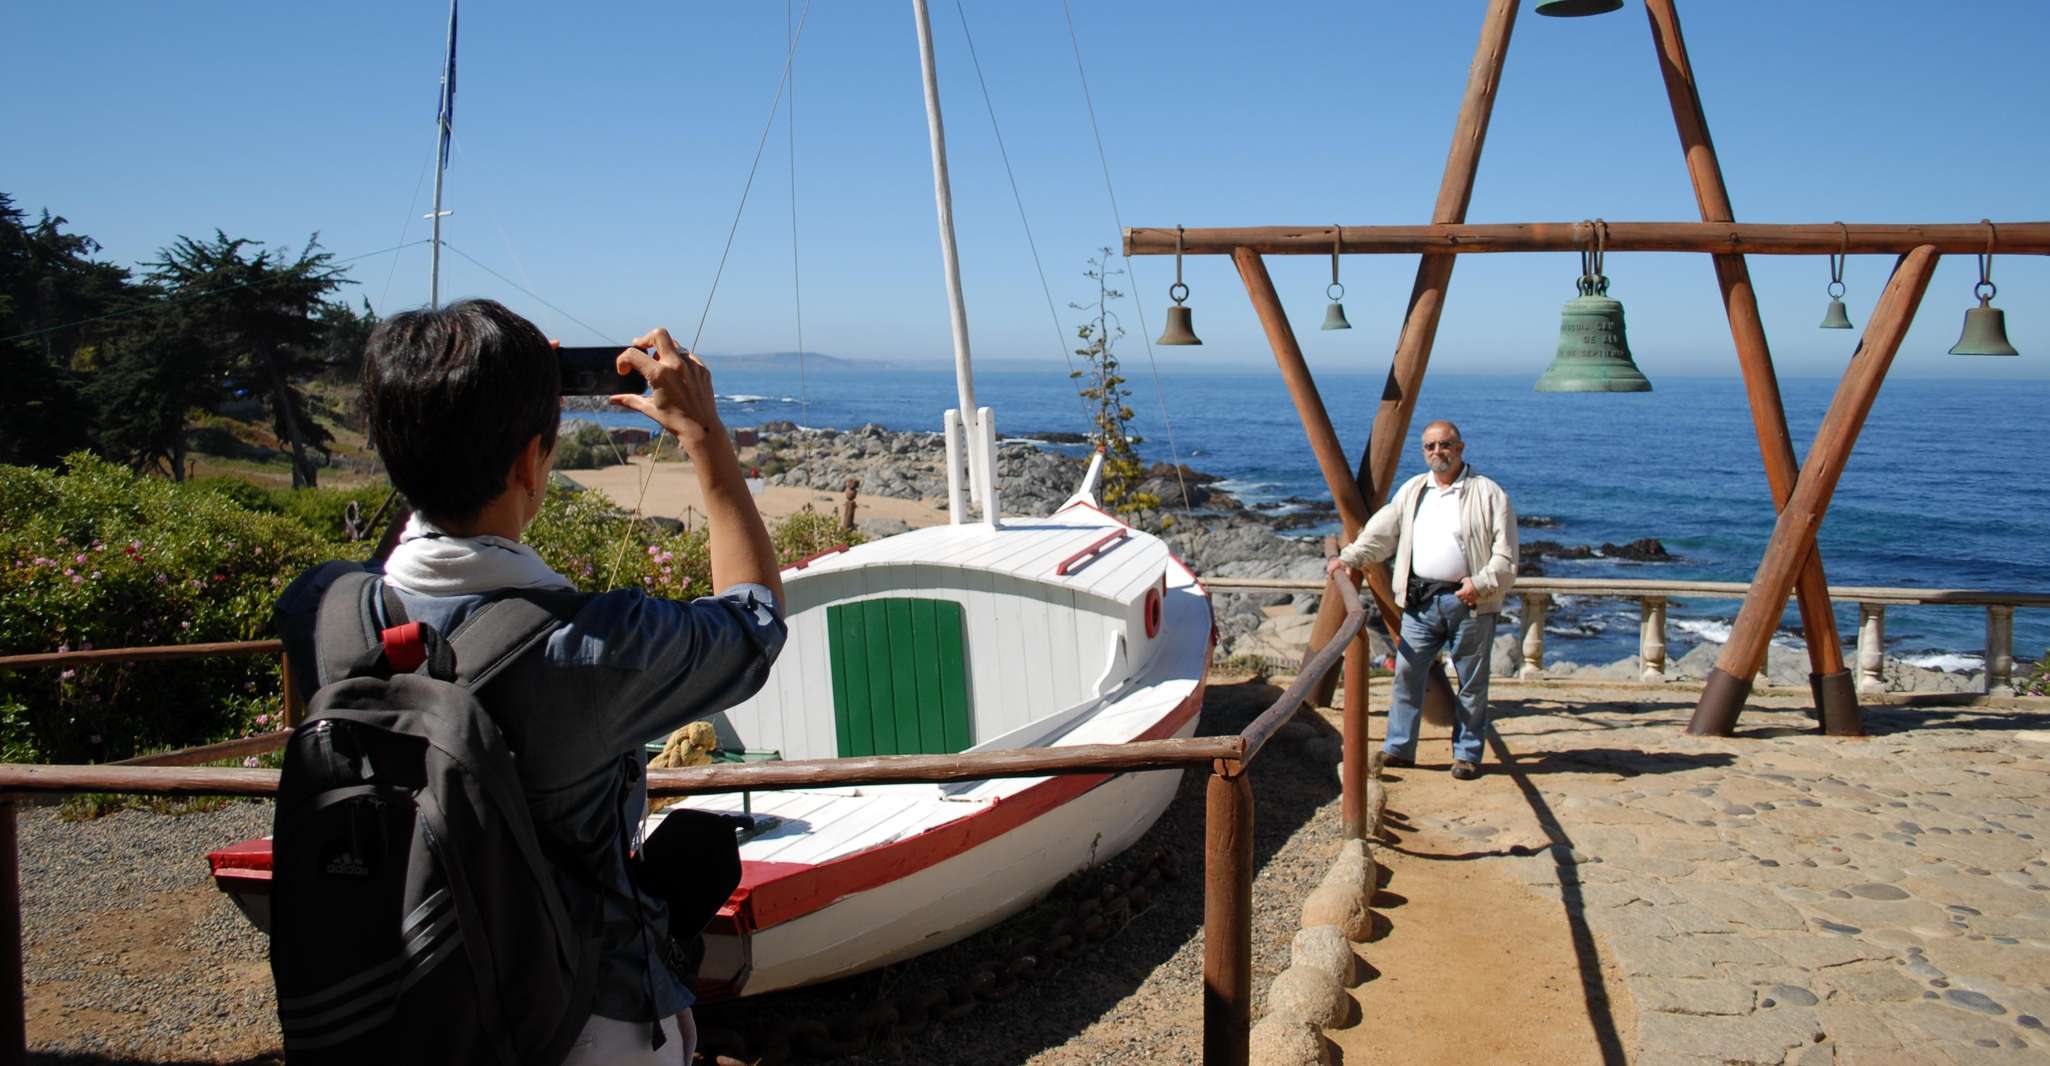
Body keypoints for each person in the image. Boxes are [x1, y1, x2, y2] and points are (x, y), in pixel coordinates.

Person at [275, 299, 786, 1064]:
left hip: (387, 1010)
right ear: (528, 463)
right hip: (582, 1021)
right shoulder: (594, 645)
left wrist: (452, 415)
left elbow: (390, 568)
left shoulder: (319, 608)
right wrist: (705, 437)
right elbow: (754, 623)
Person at [1327, 420, 1515, 780]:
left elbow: (1506, 557)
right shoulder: (1414, 490)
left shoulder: (1489, 494)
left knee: (1472, 684)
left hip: (1470, 602)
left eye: (1444, 445)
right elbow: (1381, 533)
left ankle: (1467, 755)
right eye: (1429, 446)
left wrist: (1480, 583)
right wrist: (1348, 557)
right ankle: (1399, 748)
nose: (1436, 452)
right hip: (1420, 603)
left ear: (1460, 447)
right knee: (1407, 675)